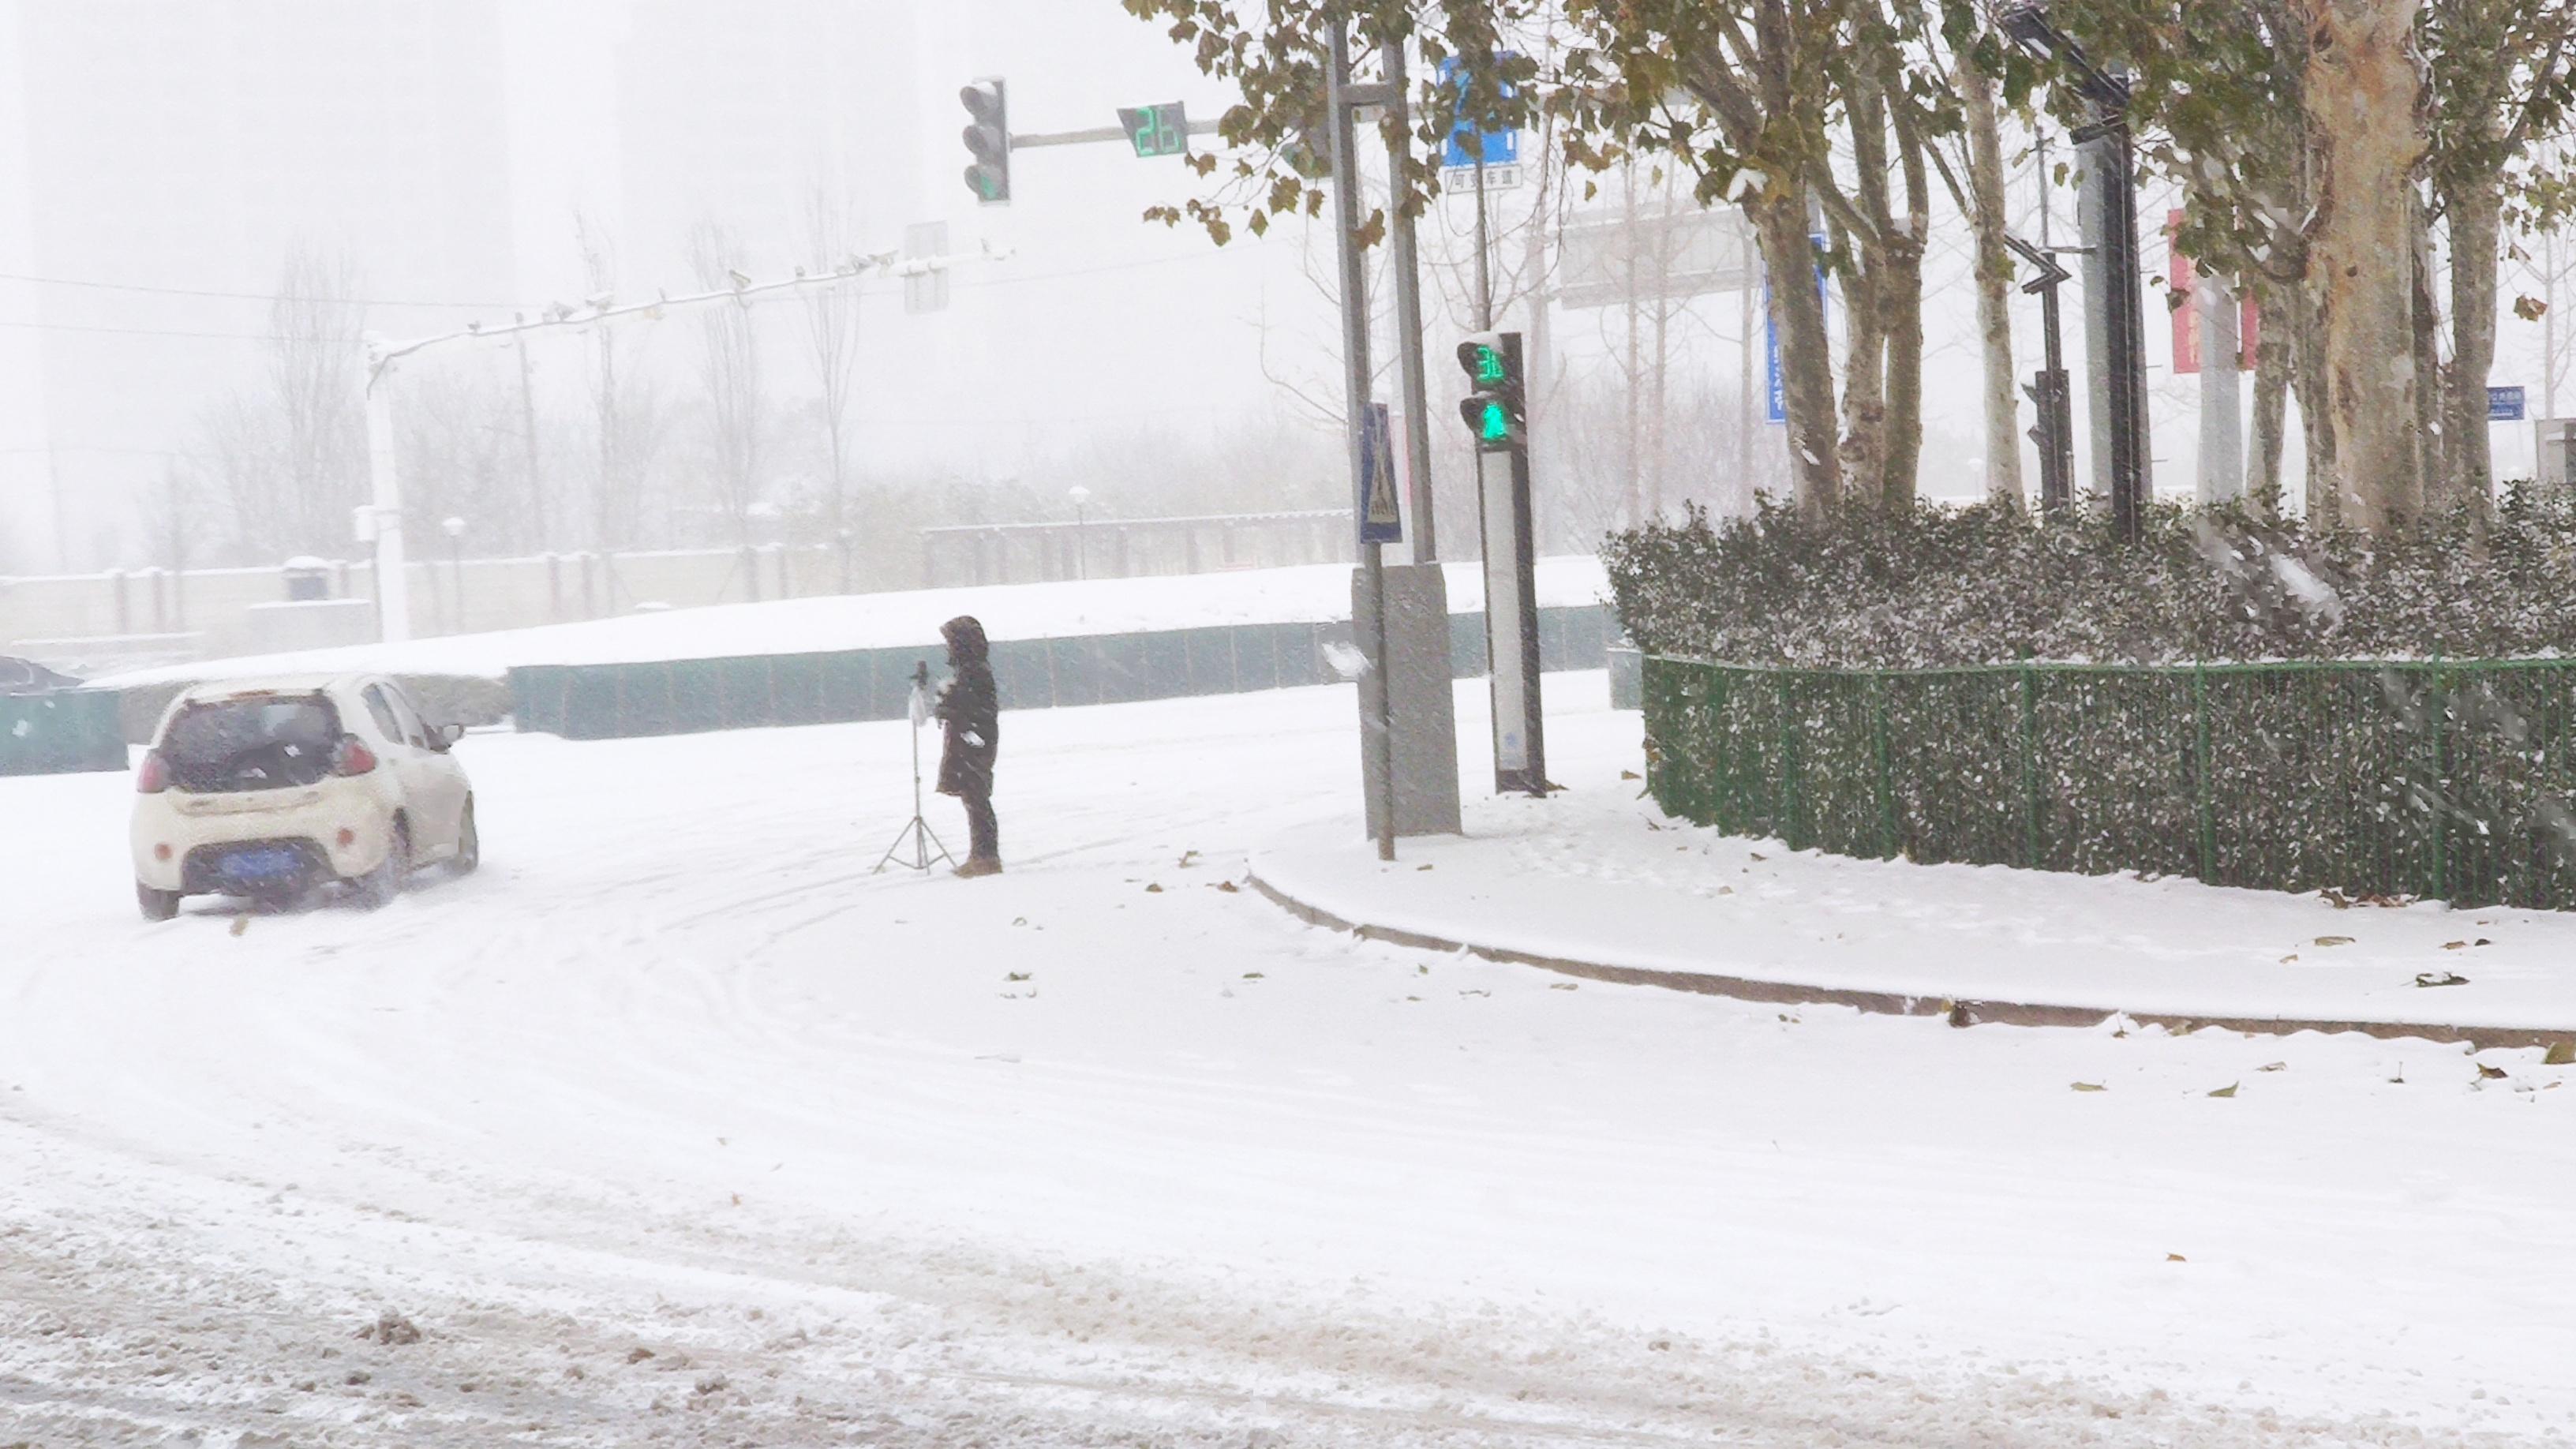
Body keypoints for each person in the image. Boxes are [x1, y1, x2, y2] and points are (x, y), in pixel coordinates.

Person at [934, 615, 1002, 877]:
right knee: (973, 797)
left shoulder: (975, 671)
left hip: (975, 740)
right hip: (972, 738)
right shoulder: (971, 670)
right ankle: (982, 854)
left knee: (976, 797)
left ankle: (985, 856)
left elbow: (973, 707)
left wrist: (949, 705)